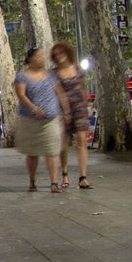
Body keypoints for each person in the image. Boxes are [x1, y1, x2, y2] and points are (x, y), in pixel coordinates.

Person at [13, 47, 70, 194]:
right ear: (30, 59)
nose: (41, 58)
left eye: (42, 56)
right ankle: (32, 180)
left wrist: (67, 111)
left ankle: (54, 183)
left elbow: (61, 93)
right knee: (32, 153)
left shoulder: (51, 76)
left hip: (51, 118)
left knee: (52, 151)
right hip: (30, 119)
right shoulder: (22, 76)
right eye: (38, 56)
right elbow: (21, 94)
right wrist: (34, 108)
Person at [50, 42, 93, 190]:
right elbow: (57, 93)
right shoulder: (53, 74)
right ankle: (65, 174)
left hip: (80, 109)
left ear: (67, 53)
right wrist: (65, 111)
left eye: (61, 53)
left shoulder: (78, 69)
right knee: (63, 144)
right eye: (56, 55)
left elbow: (83, 88)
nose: (59, 56)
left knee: (81, 141)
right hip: (61, 111)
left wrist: (87, 105)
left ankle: (83, 177)